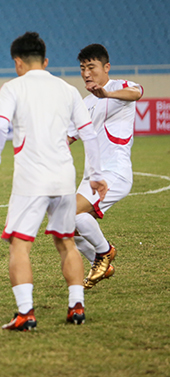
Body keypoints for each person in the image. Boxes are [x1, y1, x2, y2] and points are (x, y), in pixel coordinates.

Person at [0, 32, 108, 330]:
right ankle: (76, 308)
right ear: (46, 60)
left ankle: (26, 313)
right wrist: (97, 175)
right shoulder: (66, 89)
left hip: (31, 180)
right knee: (66, 243)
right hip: (64, 177)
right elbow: (88, 134)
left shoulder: (12, 88)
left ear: (18, 62)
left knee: (19, 245)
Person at [68, 44, 143, 289]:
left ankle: (105, 251)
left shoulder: (118, 88)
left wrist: (107, 95)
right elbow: (68, 137)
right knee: (66, 225)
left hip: (114, 173)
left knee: (70, 214)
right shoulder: (84, 103)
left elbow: (138, 93)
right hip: (90, 178)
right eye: (82, 68)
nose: (87, 73)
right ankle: (102, 264)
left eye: (92, 67)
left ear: (106, 67)